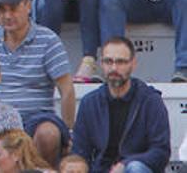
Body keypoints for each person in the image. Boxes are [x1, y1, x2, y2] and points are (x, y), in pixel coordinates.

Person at [0, 0, 75, 166]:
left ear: (28, 6)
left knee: (49, 133)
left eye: (13, 8)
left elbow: (67, 88)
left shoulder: (48, 40)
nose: (7, 15)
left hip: (37, 117)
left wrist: (68, 131)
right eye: (1, 9)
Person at [70, 37, 170, 173]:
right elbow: (80, 151)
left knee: (136, 168)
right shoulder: (89, 103)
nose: (114, 68)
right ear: (101, 64)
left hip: (135, 170)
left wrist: (125, 164)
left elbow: (161, 151)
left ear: (133, 64)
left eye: (121, 62)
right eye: (108, 61)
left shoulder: (150, 101)